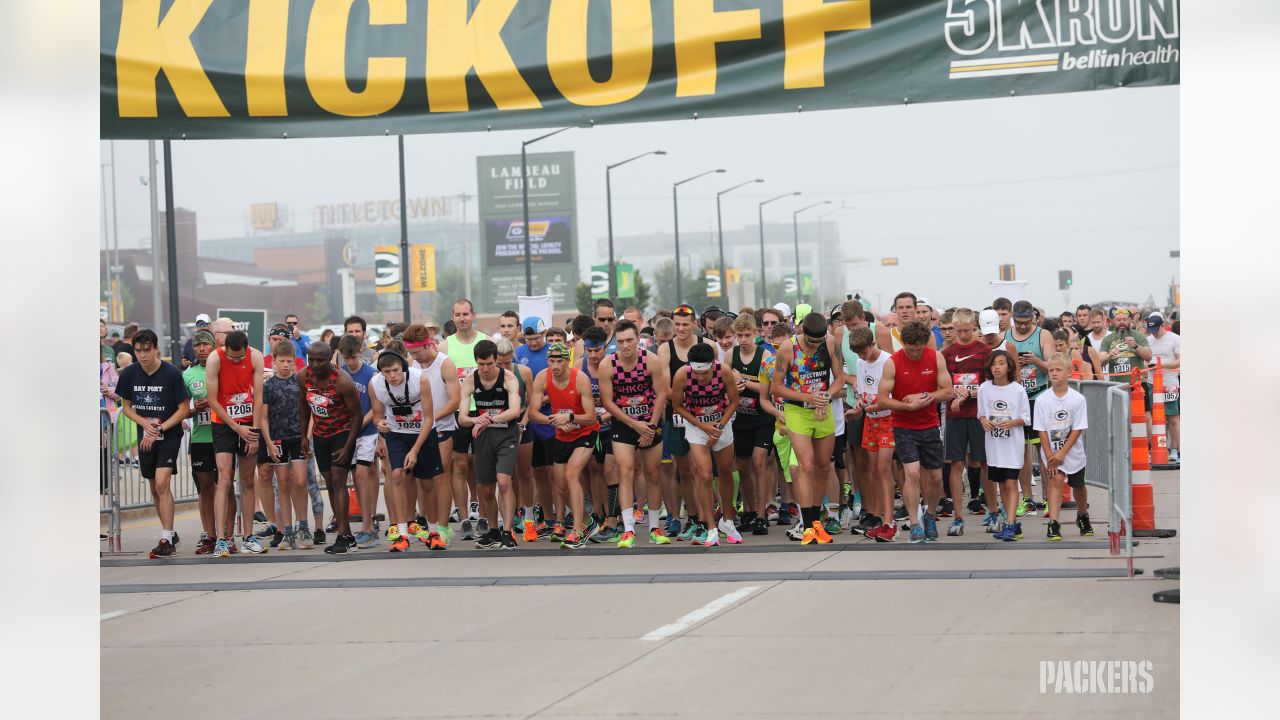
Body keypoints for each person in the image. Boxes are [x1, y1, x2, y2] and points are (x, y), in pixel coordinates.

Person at [770, 311, 847, 545]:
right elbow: (776, 387)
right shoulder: (788, 348)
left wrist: (825, 395)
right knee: (806, 465)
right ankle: (807, 524)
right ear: (802, 333)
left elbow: (840, 379)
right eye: (811, 342)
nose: (815, 346)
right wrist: (807, 397)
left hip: (822, 409)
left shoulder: (831, 342)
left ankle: (816, 523)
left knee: (824, 466)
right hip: (797, 411)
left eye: (819, 341)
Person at [116, 329, 190, 558]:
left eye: (147, 350)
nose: (142, 355)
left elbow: (184, 409)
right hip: (146, 436)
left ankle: (166, 538)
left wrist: (161, 427)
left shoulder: (170, 374)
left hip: (169, 434)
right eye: (138, 351)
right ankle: (170, 532)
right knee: (154, 489)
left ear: (156, 349)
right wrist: (143, 423)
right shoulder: (129, 374)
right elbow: (126, 406)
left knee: (161, 483)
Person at [878, 321, 952, 544]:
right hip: (903, 425)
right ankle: (915, 523)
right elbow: (882, 399)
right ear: (904, 344)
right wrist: (906, 406)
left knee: (937, 477)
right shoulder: (893, 362)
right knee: (911, 474)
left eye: (919, 347)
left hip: (930, 424)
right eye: (911, 348)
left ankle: (930, 514)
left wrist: (926, 396)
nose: (915, 352)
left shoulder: (935, 357)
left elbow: (948, 391)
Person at [599, 318, 671, 547]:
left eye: (630, 340)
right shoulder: (607, 364)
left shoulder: (651, 360)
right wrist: (633, 424)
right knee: (626, 471)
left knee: (652, 473)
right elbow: (607, 402)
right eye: (620, 341)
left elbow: (661, 394)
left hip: (650, 420)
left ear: (638, 339)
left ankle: (654, 527)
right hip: (624, 422)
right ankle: (628, 528)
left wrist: (649, 425)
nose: (626, 345)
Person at [371, 348, 446, 552]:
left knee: (427, 483)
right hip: (396, 434)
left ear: (403, 367)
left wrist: (415, 450)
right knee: (396, 476)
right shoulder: (376, 384)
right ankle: (402, 533)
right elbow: (377, 415)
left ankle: (433, 532)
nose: (392, 376)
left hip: (423, 432)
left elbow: (429, 417)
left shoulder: (418, 379)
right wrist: (380, 424)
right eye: (387, 372)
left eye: (395, 370)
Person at [528, 342, 601, 549]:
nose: (556, 365)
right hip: (562, 433)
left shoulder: (580, 379)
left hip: (586, 432)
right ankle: (588, 522)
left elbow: (590, 417)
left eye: (560, 361)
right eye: (552, 361)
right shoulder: (543, 376)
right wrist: (556, 421)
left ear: (567, 361)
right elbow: (533, 413)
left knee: (571, 474)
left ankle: (577, 532)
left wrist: (569, 417)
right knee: (560, 487)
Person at [671, 342, 742, 547]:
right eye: (697, 372)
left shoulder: (724, 372)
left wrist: (718, 426)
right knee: (704, 474)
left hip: (721, 421)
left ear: (713, 364)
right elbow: (676, 406)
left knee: (726, 471)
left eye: (705, 372)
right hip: (696, 423)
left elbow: (734, 401)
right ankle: (710, 526)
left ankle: (727, 520)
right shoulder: (682, 375)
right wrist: (702, 426)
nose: (701, 377)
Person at [298, 342, 364, 554]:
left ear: (330, 360)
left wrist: (348, 446)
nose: (315, 364)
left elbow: (357, 416)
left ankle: (343, 535)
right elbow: (302, 405)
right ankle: (347, 534)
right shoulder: (303, 377)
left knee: (338, 479)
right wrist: (303, 437)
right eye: (312, 360)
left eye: (320, 360)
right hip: (320, 435)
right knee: (330, 483)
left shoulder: (343, 381)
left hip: (342, 433)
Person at [205, 329, 266, 557]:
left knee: (249, 480)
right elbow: (212, 399)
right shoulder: (215, 359)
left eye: (240, 357)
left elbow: (259, 395)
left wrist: (255, 430)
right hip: (224, 423)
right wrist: (236, 427)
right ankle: (222, 539)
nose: (236, 360)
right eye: (232, 357)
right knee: (224, 478)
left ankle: (248, 537)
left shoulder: (256, 356)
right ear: (226, 349)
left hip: (249, 420)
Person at [657, 304, 715, 540]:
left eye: (685, 324)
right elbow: (665, 388)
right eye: (677, 324)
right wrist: (689, 397)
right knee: (684, 471)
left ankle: (705, 520)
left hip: (702, 419)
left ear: (694, 324)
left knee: (700, 470)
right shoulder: (665, 349)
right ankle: (692, 518)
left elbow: (719, 379)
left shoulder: (708, 346)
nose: (680, 329)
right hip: (677, 417)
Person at [459, 340, 523, 549]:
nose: (485, 369)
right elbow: (462, 418)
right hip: (484, 437)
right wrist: (478, 420)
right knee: (486, 490)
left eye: (489, 364)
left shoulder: (509, 379)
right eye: (481, 364)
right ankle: (494, 531)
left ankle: (508, 532)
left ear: (496, 360)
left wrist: (488, 419)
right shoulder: (470, 380)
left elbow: (514, 411)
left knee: (504, 482)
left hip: (506, 435)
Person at [402, 324, 460, 544]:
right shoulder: (412, 363)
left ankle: (444, 527)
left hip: (442, 427)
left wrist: (431, 418)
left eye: (417, 352)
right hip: (419, 429)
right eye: (411, 353)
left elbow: (455, 399)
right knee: (424, 481)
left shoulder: (445, 363)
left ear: (429, 344)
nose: (414, 356)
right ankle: (430, 523)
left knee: (441, 478)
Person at [1032, 353, 1093, 541]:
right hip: (1051, 452)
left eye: (1058, 370)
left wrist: (1063, 452)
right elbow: (1041, 430)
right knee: (1056, 481)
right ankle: (1054, 523)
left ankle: (1082, 515)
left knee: (1078, 486)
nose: (1054, 373)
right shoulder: (1042, 400)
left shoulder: (1077, 399)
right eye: (1051, 370)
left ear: (1068, 373)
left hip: (1072, 452)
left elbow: (1077, 428)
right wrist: (1050, 455)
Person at [255, 340, 310, 550]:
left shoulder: (300, 383)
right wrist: (268, 443)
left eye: (289, 361)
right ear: (274, 362)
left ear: (294, 362)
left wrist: (308, 436)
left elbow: (310, 411)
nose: (285, 365)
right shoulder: (268, 386)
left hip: (298, 438)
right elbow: (263, 417)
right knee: (283, 484)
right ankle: (287, 530)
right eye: (281, 361)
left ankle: (303, 526)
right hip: (277, 440)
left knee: (300, 481)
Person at [941, 308, 991, 537]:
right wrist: (953, 392)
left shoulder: (984, 351)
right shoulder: (947, 353)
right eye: (957, 330)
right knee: (956, 464)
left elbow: (993, 385)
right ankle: (958, 517)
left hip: (979, 415)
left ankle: (994, 511)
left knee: (983, 463)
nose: (962, 335)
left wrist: (970, 394)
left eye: (966, 330)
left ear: (974, 328)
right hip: (955, 417)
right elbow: (941, 386)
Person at [845, 327, 896, 541]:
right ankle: (878, 517)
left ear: (872, 343)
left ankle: (889, 521)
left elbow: (889, 397)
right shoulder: (860, 362)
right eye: (857, 354)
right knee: (874, 469)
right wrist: (859, 405)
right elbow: (865, 394)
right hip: (871, 420)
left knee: (884, 468)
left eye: (864, 352)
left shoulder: (887, 361)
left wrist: (867, 407)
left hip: (888, 418)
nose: (861, 357)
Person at [181, 329, 230, 553]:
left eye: (205, 345)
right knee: (206, 488)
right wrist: (194, 409)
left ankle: (227, 536)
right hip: (200, 438)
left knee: (226, 487)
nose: (201, 349)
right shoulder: (188, 375)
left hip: (223, 435)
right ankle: (210, 536)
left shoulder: (223, 369)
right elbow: (182, 409)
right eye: (197, 345)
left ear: (213, 346)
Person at [1005, 300, 1056, 517]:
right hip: (1016, 401)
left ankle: (1047, 498)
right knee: (1020, 451)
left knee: (1043, 451)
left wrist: (1034, 360)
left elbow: (1053, 367)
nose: (1023, 326)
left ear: (1033, 318)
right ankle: (1027, 498)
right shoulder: (1006, 336)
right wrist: (1013, 363)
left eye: (1026, 322)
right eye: (1018, 322)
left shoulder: (1043, 335)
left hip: (1039, 398)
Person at [977, 350, 1031, 539]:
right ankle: (1012, 523)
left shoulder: (1017, 389)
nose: (997, 367)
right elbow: (981, 413)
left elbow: (1026, 417)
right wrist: (984, 421)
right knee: (1001, 484)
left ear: (1009, 367)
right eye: (993, 364)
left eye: (1001, 363)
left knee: (1011, 483)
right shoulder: (984, 388)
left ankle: (1010, 523)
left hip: (1012, 445)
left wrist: (1012, 422)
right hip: (994, 445)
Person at [729, 313, 774, 535]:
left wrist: (744, 381)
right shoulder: (731, 354)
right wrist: (732, 386)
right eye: (740, 335)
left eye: (748, 335)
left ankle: (761, 514)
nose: (744, 339)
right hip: (740, 418)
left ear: (756, 334)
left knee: (759, 462)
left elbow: (770, 388)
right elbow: (724, 383)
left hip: (762, 417)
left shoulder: (765, 355)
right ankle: (748, 510)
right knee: (743, 466)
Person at [444, 299, 484, 539]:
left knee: (480, 464)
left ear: (473, 314)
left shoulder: (485, 341)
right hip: (458, 414)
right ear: (452, 316)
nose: (462, 318)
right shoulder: (444, 347)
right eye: (457, 314)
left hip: (483, 412)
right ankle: (464, 516)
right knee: (459, 464)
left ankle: (478, 505)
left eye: (466, 314)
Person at [515, 317, 559, 536]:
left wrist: (543, 400)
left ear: (545, 334)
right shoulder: (519, 353)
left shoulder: (554, 352)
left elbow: (562, 382)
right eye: (529, 339)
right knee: (538, 472)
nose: (533, 343)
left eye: (537, 338)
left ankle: (561, 516)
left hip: (551, 420)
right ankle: (548, 517)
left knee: (555, 472)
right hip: (530, 421)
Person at [337, 334, 381, 548]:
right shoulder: (339, 374)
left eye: (354, 357)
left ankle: (368, 526)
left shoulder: (371, 374)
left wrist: (360, 423)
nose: (351, 361)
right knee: (355, 477)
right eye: (347, 357)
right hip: (348, 433)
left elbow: (377, 406)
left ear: (361, 353)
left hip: (367, 431)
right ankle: (365, 524)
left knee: (363, 473)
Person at [578, 326, 620, 541]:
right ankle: (599, 514)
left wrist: (603, 417)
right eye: (589, 351)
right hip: (589, 428)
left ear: (605, 347)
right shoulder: (579, 367)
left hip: (611, 426)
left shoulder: (613, 365)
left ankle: (614, 517)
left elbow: (619, 401)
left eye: (597, 350)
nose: (593, 355)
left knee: (611, 469)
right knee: (595, 470)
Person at [1145, 312, 1181, 463]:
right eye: (1150, 330)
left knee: (1173, 418)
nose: (1154, 333)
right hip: (1153, 383)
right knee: (1157, 419)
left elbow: (1178, 362)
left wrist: (1160, 365)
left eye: (1156, 330)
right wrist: (1149, 366)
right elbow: (1144, 362)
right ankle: (1161, 448)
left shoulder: (1175, 339)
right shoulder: (1148, 340)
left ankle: (1176, 449)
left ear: (1162, 326)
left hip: (1170, 383)